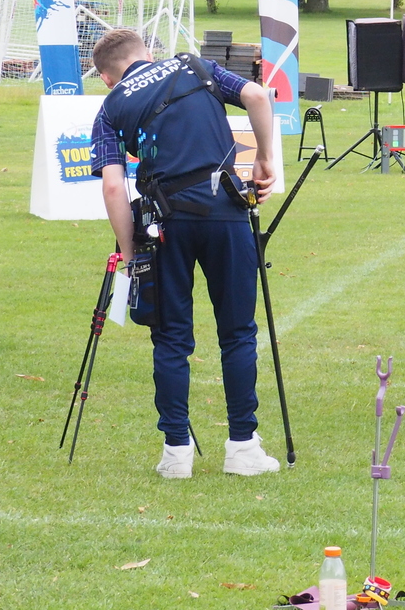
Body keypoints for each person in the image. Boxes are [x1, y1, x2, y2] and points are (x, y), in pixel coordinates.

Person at [88, 28, 280, 479]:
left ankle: (176, 454)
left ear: (105, 77)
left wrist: (128, 251)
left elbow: (113, 185)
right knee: (237, 331)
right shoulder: (194, 65)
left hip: (163, 225)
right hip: (225, 212)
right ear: (147, 54)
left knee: (171, 337)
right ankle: (242, 447)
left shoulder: (110, 107)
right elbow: (256, 93)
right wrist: (265, 157)